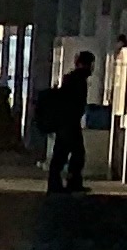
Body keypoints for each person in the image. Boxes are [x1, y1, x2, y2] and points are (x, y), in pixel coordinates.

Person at [35, 48, 99, 195]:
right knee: (71, 154)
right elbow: (73, 103)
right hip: (69, 123)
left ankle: (59, 184)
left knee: (64, 154)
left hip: (66, 123)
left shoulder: (72, 78)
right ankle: (67, 183)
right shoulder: (78, 80)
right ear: (87, 64)